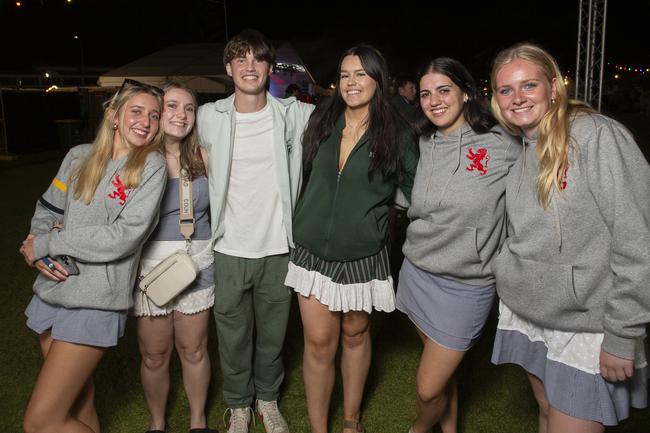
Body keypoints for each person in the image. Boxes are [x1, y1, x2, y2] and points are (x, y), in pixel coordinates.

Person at [490, 42, 649, 432]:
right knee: (545, 412)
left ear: (554, 87)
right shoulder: (521, 147)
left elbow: (638, 240)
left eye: (529, 85)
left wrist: (621, 335)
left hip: (587, 326)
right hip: (530, 312)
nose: (517, 98)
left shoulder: (596, 136)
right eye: (505, 90)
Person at [18, 79, 167, 433]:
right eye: (137, 111)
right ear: (114, 116)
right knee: (79, 402)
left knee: (40, 422)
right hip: (54, 290)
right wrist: (39, 243)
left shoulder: (151, 166)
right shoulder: (77, 156)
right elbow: (47, 209)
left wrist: (49, 244)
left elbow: (121, 238)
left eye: (154, 115)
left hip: (94, 299)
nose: (146, 121)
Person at [284, 45, 418, 433]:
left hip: (364, 254)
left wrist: (383, 220)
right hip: (311, 252)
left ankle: (351, 421)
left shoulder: (397, 132)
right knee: (319, 344)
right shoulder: (320, 122)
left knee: (356, 335)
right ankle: (318, 428)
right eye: (345, 75)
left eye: (361, 74)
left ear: (379, 79)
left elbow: (417, 190)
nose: (352, 82)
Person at [196, 29, 314, 433]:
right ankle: (238, 405)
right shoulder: (208, 116)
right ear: (228, 68)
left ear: (269, 67)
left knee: (273, 336)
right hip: (229, 248)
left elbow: (349, 119)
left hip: (278, 248)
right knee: (232, 336)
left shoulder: (293, 114)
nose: (250, 66)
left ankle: (267, 399)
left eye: (258, 59)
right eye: (240, 59)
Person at [396, 58, 520, 433]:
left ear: (466, 93)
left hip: (467, 285)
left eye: (444, 90)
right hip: (418, 273)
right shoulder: (425, 141)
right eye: (425, 94)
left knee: (428, 388)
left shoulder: (502, 143)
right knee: (444, 378)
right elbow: (416, 201)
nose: (433, 101)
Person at [131, 81, 217, 433]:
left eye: (189, 108)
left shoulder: (204, 156)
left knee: (194, 349)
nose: (180, 115)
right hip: (150, 269)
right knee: (154, 355)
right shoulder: (134, 159)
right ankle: (157, 424)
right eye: (171, 106)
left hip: (197, 261)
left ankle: (198, 423)